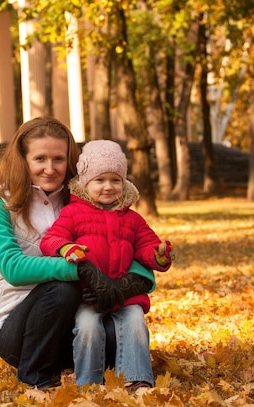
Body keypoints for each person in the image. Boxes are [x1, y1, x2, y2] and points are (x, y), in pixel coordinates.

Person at [0, 117, 156, 389]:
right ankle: (37, 379)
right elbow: (12, 267)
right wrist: (81, 270)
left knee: (121, 330)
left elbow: (121, 236)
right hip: (18, 329)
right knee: (62, 288)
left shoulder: (82, 198)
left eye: (58, 159)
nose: (50, 169)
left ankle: (115, 379)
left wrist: (130, 282)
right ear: (23, 159)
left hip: (75, 319)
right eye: (40, 159)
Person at [40, 139, 174, 389]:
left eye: (115, 180)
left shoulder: (132, 219)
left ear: (123, 183)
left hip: (124, 293)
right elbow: (50, 240)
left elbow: (146, 246)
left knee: (135, 323)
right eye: (99, 180)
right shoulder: (73, 213)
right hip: (89, 294)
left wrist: (158, 255)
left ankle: (136, 379)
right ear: (85, 183)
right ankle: (89, 383)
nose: (108, 187)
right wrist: (65, 247)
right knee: (88, 328)